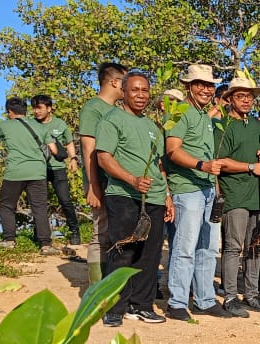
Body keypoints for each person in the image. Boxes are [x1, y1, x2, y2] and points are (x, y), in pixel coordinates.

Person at [96, 71, 172, 327]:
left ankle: (142, 305)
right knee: (123, 251)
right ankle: (115, 307)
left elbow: (160, 164)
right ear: (124, 93)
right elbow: (104, 158)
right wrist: (131, 180)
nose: (141, 95)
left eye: (145, 91)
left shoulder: (153, 127)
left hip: (155, 197)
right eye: (135, 90)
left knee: (150, 254)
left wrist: (167, 196)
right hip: (124, 195)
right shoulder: (111, 120)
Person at [163, 64, 231, 321]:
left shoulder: (204, 115)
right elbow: (172, 150)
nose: (205, 88)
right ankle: (177, 302)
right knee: (185, 247)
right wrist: (202, 165)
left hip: (207, 190)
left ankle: (204, 300)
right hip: (187, 190)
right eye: (199, 84)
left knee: (209, 246)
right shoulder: (180, 113)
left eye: (209, 84)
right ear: (188, 86)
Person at [213, 76, 260, 317]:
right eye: (241, 96)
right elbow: (221, 162)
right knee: (232, 247)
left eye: (249, 96)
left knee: (255, 247)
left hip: (259, 196)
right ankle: (230, 296)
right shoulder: (223, 125)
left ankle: (252, 294)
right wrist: (250, 166)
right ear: (230, 99)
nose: (246, 100)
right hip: (235, 195)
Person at [0, 97, 61, 256]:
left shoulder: (5, 125)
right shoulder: (38, 126)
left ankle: (9, 240)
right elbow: (52, 147)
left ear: (9, 112)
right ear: (26, 110)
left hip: (15, 172)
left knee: (7, 205)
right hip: (37, 172)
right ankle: (46, 244)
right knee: (40, 208)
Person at [80, 62, 128, 285]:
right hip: (99, 179)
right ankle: (96, 289)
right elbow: (88, 148)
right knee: (100, 233)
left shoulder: (117, 111)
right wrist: (93, 185)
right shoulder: (93, 108)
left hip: (117, 181)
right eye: (125, 82)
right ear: (115, 82)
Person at [30, 94, 81, 245]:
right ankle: (39, 233)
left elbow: (69, 142)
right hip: (39, 169)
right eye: (34, 108)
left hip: (58, 168)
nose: (36, 111)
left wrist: (73, 159)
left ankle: (74, 231)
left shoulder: (60, 124)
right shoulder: (31, 124)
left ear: (49, 108)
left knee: (65, 200)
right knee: (39, 203)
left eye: (39, 108)